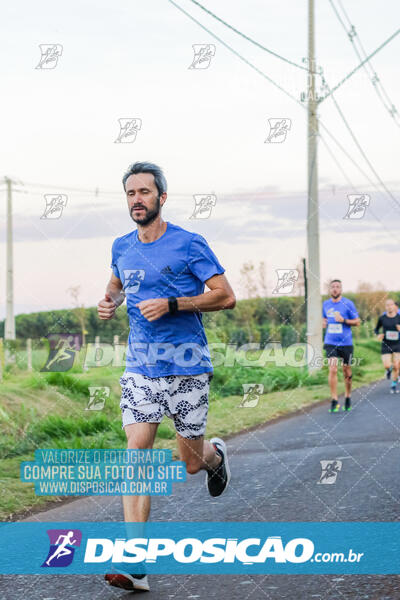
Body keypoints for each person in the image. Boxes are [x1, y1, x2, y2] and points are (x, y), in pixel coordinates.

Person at [97, 161, 236, 592]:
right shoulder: (121, 246)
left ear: (162, 197)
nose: (137, 199)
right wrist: (108, 304)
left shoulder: (189, 243)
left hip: (187, 365)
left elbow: (225, 296)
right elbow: (117, 287)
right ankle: (136, 564)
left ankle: (213, 455)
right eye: (130, 193)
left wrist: (174, 304)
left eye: (144, 192)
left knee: (190, 464)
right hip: (141, 366)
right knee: (136, 452)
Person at [322, 280, 360, 412]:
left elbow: (357, 322)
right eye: (332, 287)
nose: (335, 289)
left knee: (346, 371)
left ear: (341, 289)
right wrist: (323, 322)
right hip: (330, 341)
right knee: (332, 369)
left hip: (346, 343)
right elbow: (324, 318)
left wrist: (343, 320)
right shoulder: (325, 304)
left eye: (337, 287)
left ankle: (348, 396)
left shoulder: (348, 304)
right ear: (329, 290)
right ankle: (334, 400)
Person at [374, 298, 400, 393]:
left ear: (394, 306)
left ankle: (393, 385)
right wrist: (378, 334)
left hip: (397, 345)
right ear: (385, 307)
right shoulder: (382, 318)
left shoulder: (399, 317)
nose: (389, 307)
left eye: (391, 305)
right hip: (386, 344)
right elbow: (376, 329)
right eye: (387, 305)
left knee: (397, 366)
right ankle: (389, 370)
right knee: (387, 365)